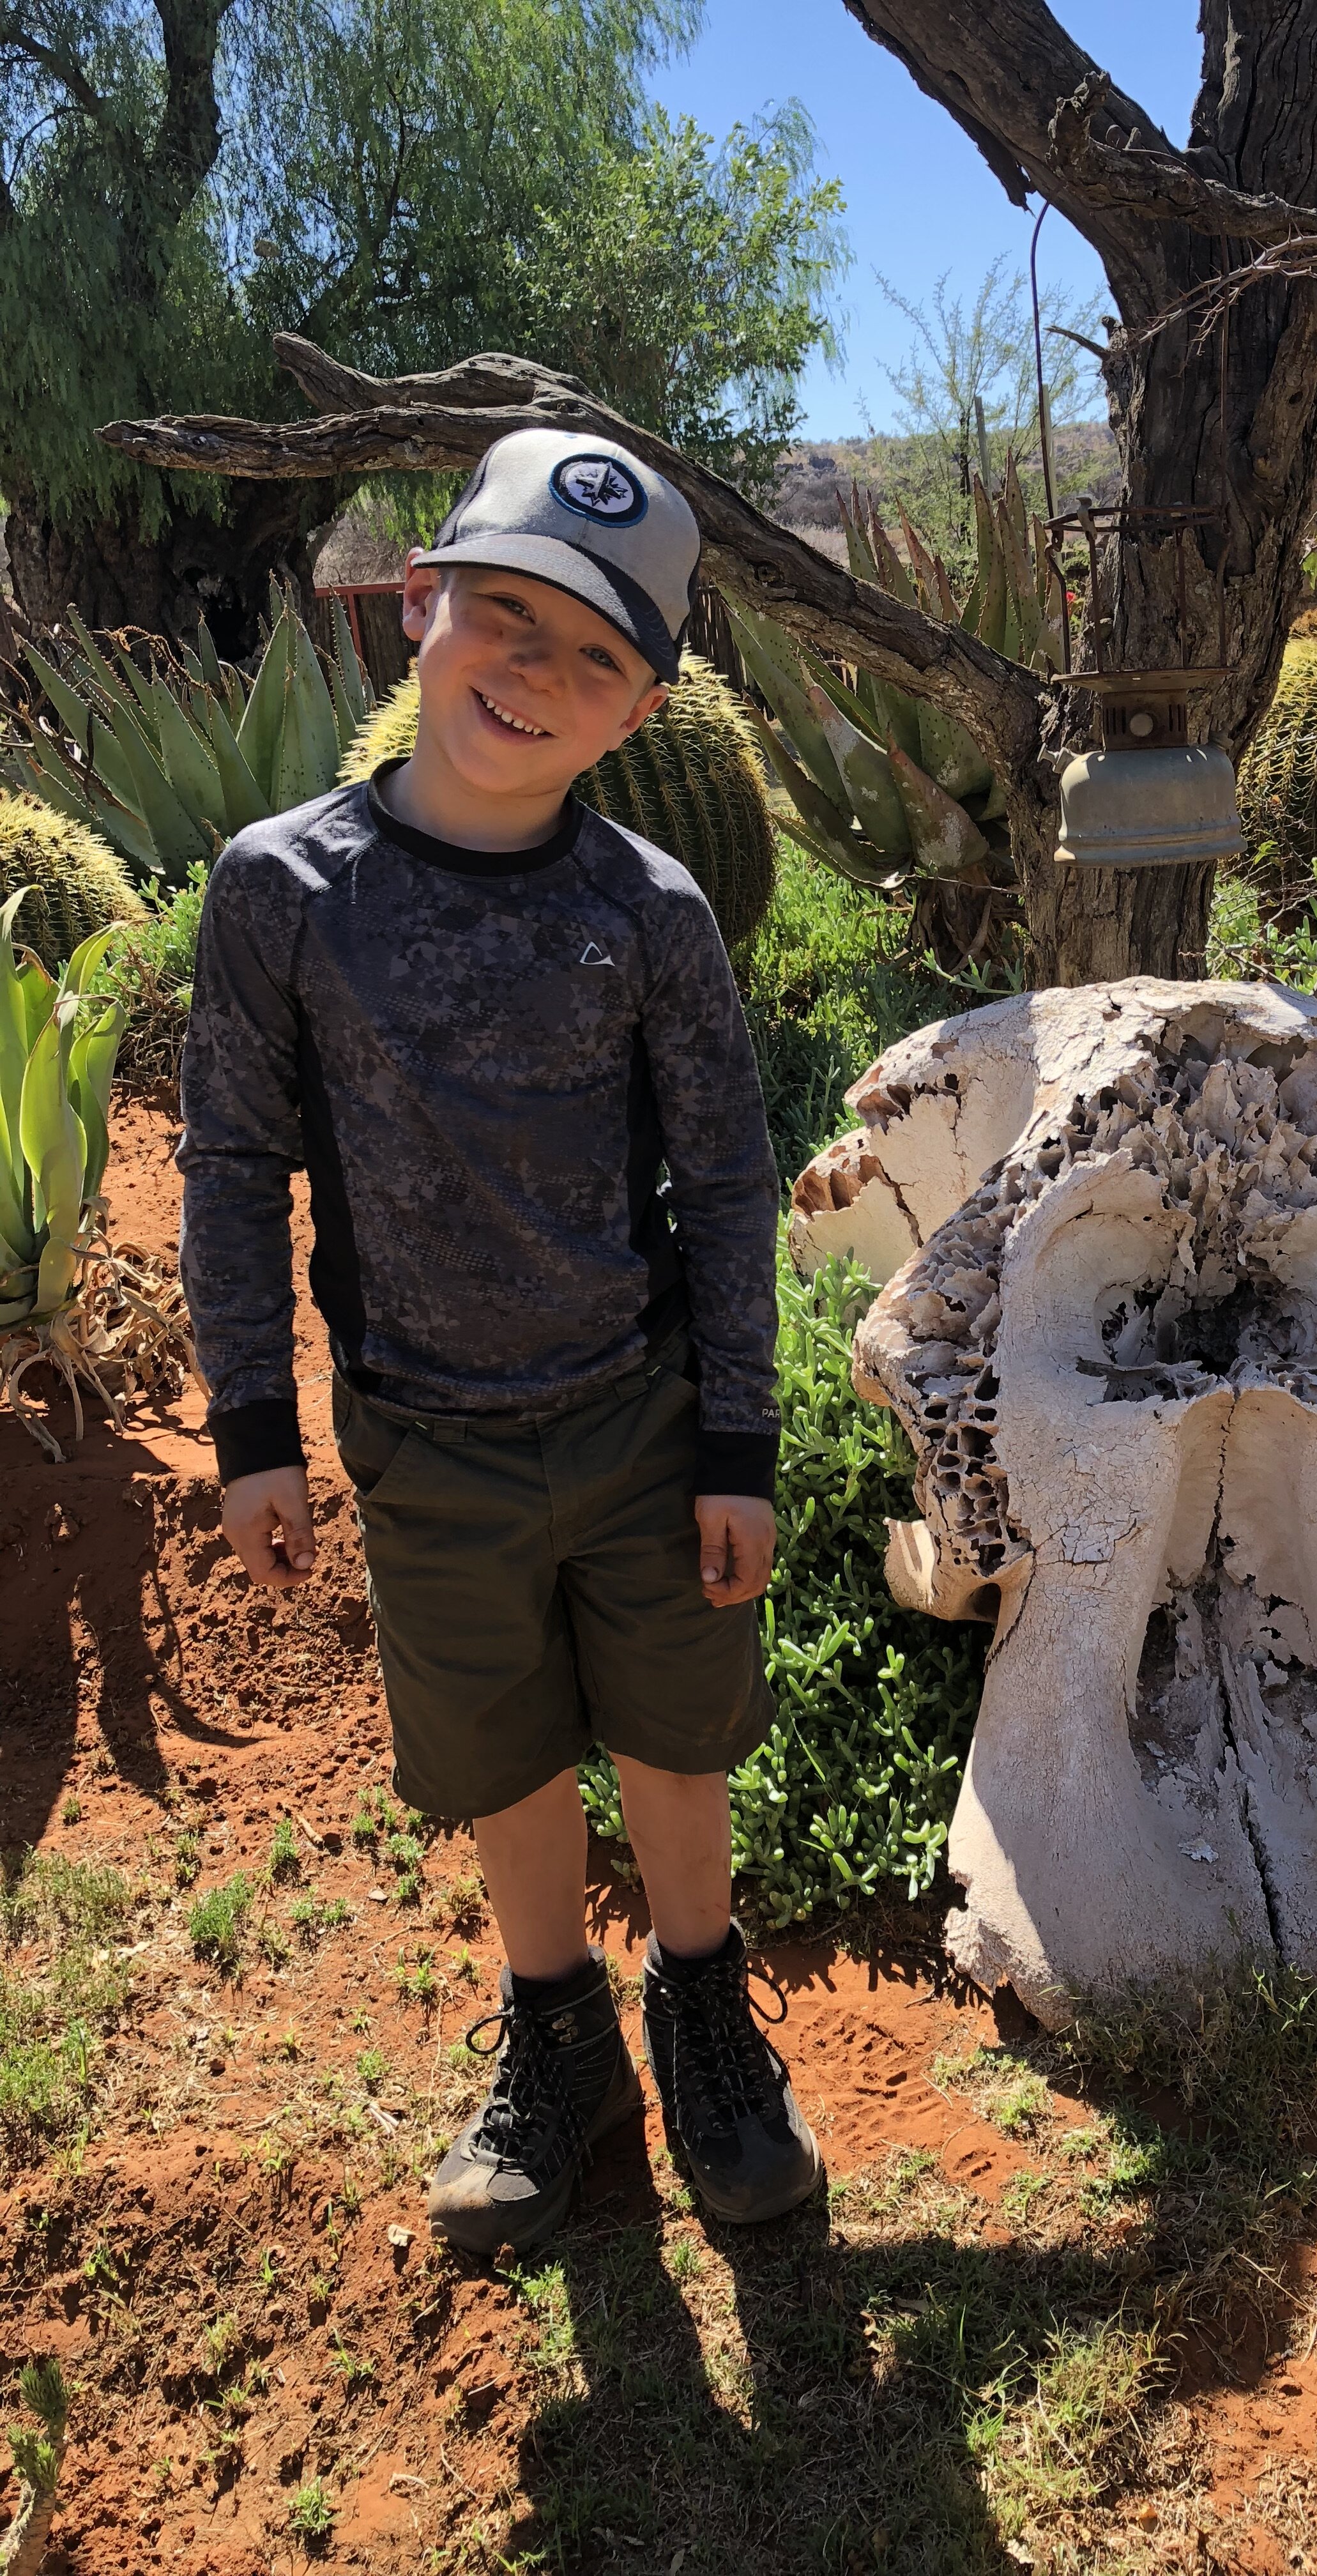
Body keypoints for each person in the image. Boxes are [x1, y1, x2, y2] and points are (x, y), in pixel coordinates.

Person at [177, 427, 821, 2255]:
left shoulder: (651, 909)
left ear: (642, 711)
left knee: (676, 1739)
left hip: (639, 1418)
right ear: (417, 606)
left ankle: (704, 2021)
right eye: (505, 612)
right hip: (421, 1439)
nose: (532, 671)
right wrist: (248, 1426)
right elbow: (231, 1164)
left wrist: (738, 1450)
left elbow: (729, 1183)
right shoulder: (279, 894)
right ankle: (562, 2046)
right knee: (507, 1753)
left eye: (595, 652)